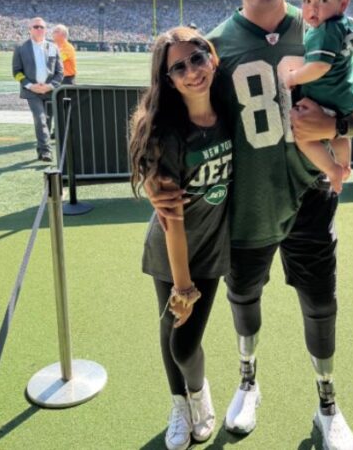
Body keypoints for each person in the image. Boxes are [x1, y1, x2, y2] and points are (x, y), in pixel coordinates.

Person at [148, 0, 353, 449]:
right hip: (248, 206)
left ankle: (327, 402)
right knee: (244, 295)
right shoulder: (213, 46)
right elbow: (171, 119)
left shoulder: (327, 23)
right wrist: (153, 179)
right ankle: (247, 381)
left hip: (310, 199)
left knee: (320, 303)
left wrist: (337, 127)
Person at [129, 27, 232, 450]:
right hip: (173, 252)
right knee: (172, 333)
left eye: (198, 58)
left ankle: (198, 392)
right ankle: (180, 405)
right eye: (179, 67)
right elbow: (171, 219)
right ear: (168, 79)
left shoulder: (230, 112)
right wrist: (182, 285)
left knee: (185, 344)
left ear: (213, 58)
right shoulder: (168, 134)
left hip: (211, 249)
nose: (192, 71)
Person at [283, 0, 353, 194]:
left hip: (326, 99)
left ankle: (333, 169)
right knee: (338, 134)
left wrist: (293, 77)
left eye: (323, 1)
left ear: (343, 3)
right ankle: (345, 164)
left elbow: (319, 66)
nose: (312, 9)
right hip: (347, 98)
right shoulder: (348, 23)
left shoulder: (323, 31)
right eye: (306, 0)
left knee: (304, 138)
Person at [13, 17, 64, 162]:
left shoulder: (53, 47)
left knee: (47, 121)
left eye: (42, 27)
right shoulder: (21, 47)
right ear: (30, 29)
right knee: (41, 119)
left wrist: (50, 85)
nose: (39, 29)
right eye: (36, 27)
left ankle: (41, 150)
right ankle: (47, 152)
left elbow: (60, 72)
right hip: (32, 92)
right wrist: (30, 85)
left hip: (50, 91)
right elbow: (16, 72)